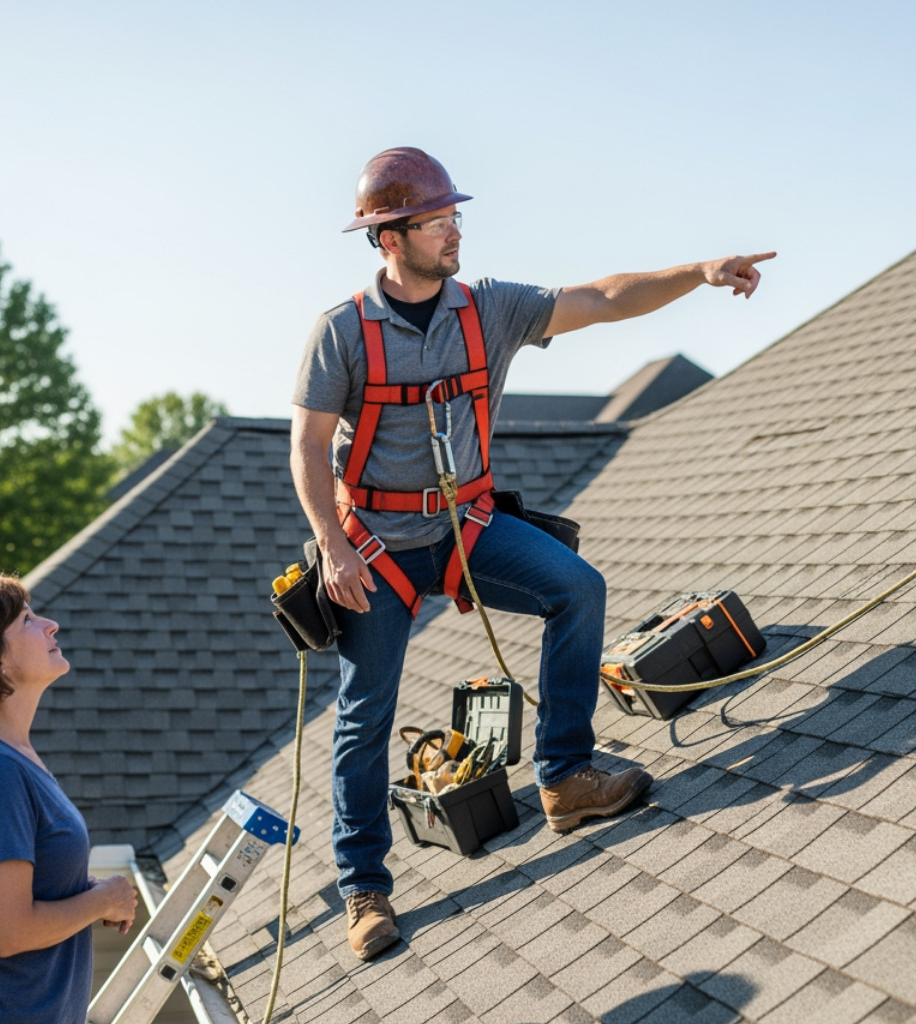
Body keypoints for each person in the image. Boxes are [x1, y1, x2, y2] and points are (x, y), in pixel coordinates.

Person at [290, 146, 774, 961]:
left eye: (455, 217)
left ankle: (565, 777)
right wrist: (335, 549)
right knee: (364, 716)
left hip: (467, 526)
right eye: (439, 220)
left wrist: (698, 270)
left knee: (577, 588)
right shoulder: (341, 333)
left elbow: (601, 298)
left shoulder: (490, 309)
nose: (455, 232)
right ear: (389, 237)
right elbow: (306, 450)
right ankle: (364, 891)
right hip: (374, 548)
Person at [0, 575, 140, 1024]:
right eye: (28, 620)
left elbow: (24, 889)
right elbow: (8, 931)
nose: (51, 625)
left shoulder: (7, 755)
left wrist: (85, 893)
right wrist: (102, 901)